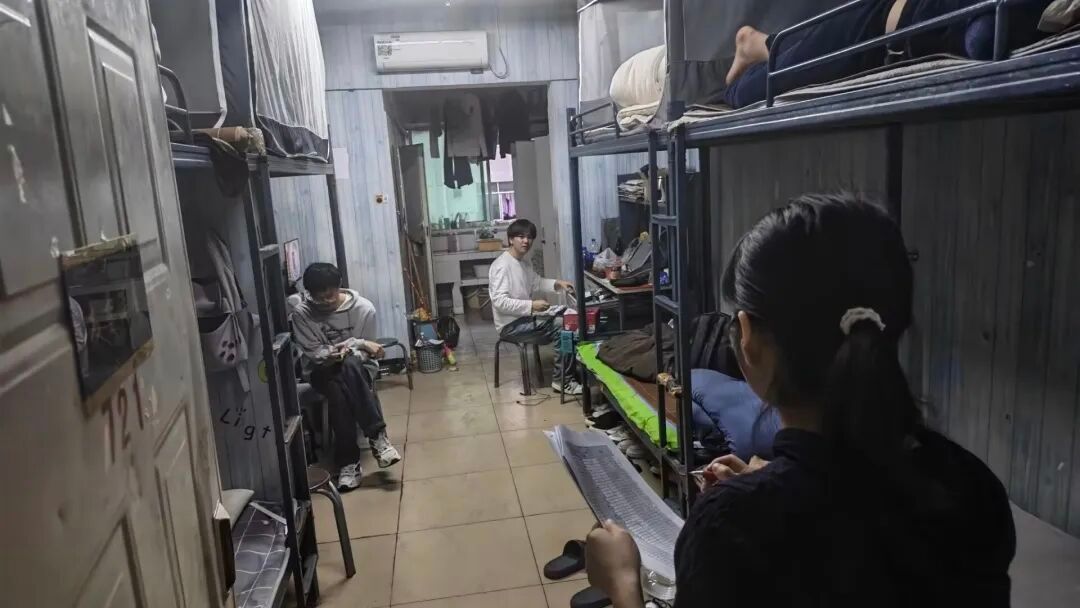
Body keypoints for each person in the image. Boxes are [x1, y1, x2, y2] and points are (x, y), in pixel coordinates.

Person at [585, 194, 1015, 607]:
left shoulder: (730, 526)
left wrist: (623, 583)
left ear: (748, 339)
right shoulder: (972, 488)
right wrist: (774, 479)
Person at [723, 0, 1052, 108]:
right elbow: (983, 38)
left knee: (802, 51)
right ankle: (753, 46)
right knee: (747, 91)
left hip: (884, 41)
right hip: (877, 25)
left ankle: (758, 43)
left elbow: (984, 38)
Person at [291, 263, 401, 491]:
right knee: (337, 374)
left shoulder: (363, 309)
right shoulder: (302, 314)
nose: (325, 301)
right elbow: (316, 354)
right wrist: (358, 343)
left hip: (359, 368)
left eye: (330, 294)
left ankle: (348, 464)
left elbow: (366, 355)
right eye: (318, 297)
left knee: (343, 378)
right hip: (320, 372)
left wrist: (350, 350)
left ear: (339, 286)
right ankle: (378, 437)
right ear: (309, 293)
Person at [488, 218, 582, 395]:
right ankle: (563, 380)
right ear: (511, 239)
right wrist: (531, 306)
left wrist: (558, 283)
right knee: (563, 326)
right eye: (521, 237)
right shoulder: (502, 266)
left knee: (569, 317)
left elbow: (536, 282)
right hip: (510, 326)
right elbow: (499, 302)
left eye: (530, 237)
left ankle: (569, 372)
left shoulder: (524, 262)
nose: (526, 241)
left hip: (524, 318)